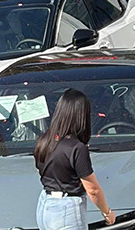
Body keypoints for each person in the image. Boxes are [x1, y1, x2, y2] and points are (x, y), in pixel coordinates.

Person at [34, 89, 116, 230]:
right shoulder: (77, 148)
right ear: (81, 116)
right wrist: (106, 212)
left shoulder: (45, 140)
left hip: (45, 204)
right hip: (66, 209)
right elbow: (93, 189)